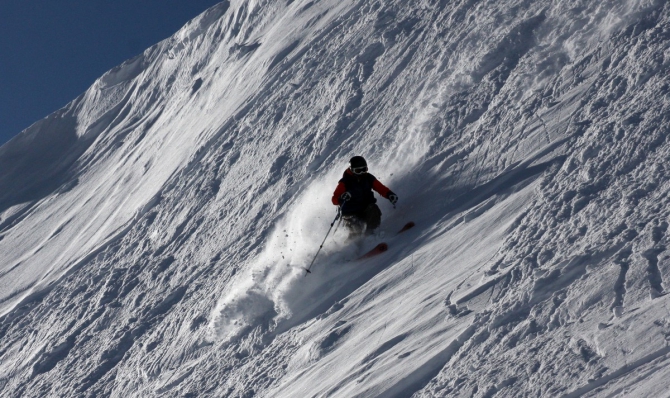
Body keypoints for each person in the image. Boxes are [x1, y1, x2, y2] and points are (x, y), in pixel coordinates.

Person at [331, 156, 398, 236]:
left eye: (364, 169)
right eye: (358, 171)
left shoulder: (368, 178)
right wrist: (341, 198)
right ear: (352, 170)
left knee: (374, 209)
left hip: (365, 209)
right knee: (356, 228)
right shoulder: (345, 182)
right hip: (350, 213)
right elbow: (334, 199)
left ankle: (371, 234)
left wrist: (389, 194)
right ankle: (353, 244)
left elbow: (380, 188)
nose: (362, 173)